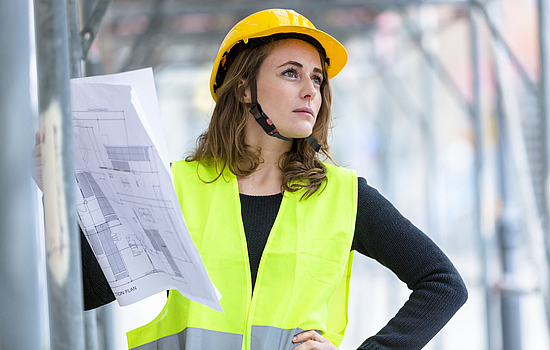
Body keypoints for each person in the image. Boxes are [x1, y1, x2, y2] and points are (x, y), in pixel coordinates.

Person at [32, 8, 468, 350]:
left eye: (317, 78)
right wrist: (66, 193)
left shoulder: (345, 196)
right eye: (291, 73)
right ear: (243, 90)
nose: (311, 90)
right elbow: (88, 291)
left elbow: (443, 283)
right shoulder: (178, 187)